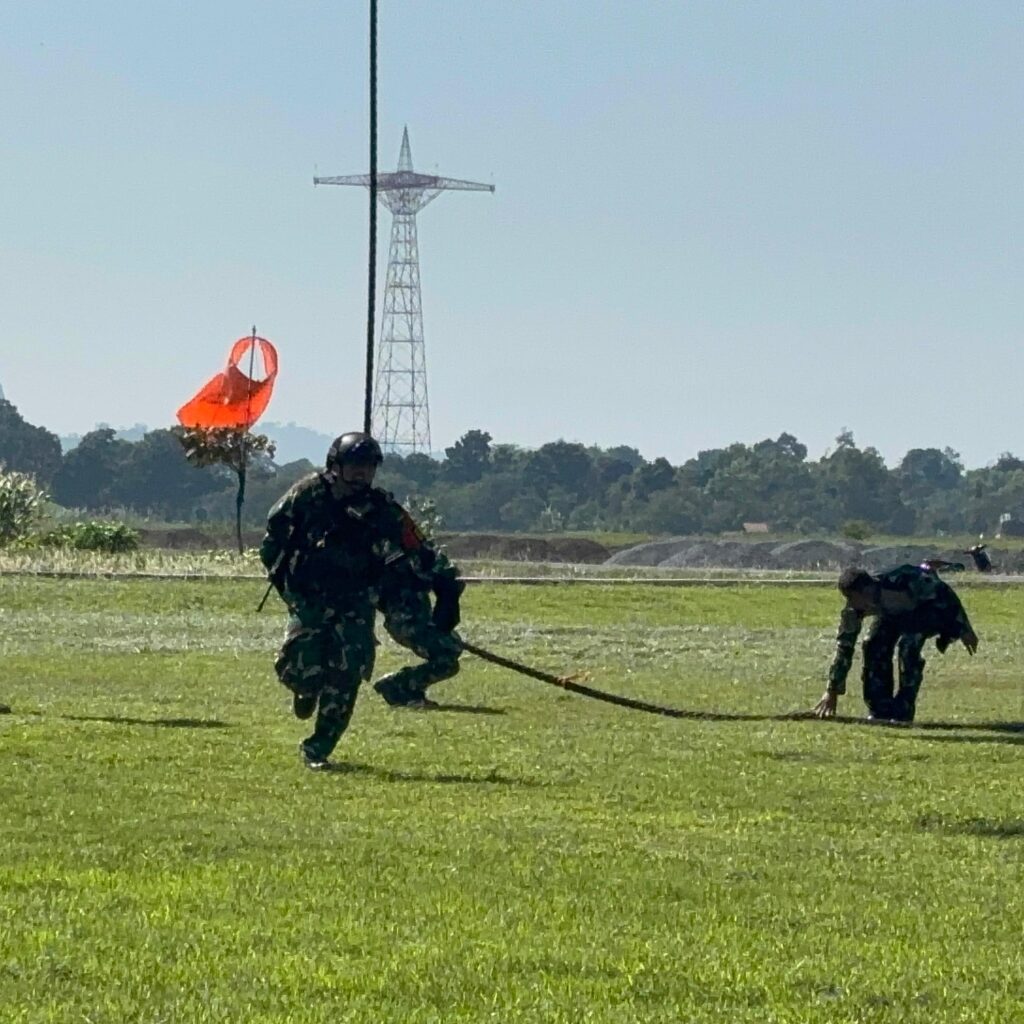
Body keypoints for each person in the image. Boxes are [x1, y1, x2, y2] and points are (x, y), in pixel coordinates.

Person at [259, 431, 464, 770]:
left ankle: (318, 748)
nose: (362, 474)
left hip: (356, 599)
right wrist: (288, 586)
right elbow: (273, 540)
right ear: (335, 465)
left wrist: (445, 585)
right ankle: (305, 688)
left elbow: (419, 548)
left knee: (348, 673)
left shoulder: (382, 509)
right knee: (296, 665)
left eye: (369, 467)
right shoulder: (307, 494)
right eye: (355, 466)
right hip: (311, 596)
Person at [813, 564, 979, 724]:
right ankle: (880, 709)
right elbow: (844, 647)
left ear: (867, 590)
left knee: (908, 647)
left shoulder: (901, 579)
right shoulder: (854, 609)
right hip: (893, 616)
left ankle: (903, 711)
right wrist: (832, 691)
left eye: (853, 598)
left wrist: (963, 627)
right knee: (872, 645)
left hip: (927, 610)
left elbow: (943, 591)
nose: (852, 604)